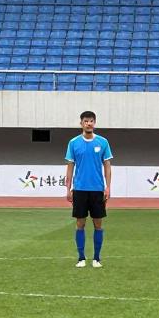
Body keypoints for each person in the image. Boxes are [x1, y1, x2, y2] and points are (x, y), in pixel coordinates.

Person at [64, 110, 113, 268]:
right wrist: (68, 188)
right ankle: (81, 258)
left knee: (98, 224)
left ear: (94, 123)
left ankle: (97, 258)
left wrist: (108, 187)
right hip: (79, 189)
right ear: (81, 123)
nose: (89, 123)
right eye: (86, 121)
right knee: (80, 224)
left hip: (97, 190)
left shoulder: (103, 142)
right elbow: (70, 167)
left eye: (91, 121)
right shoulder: (73, 143)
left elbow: (107, 166)